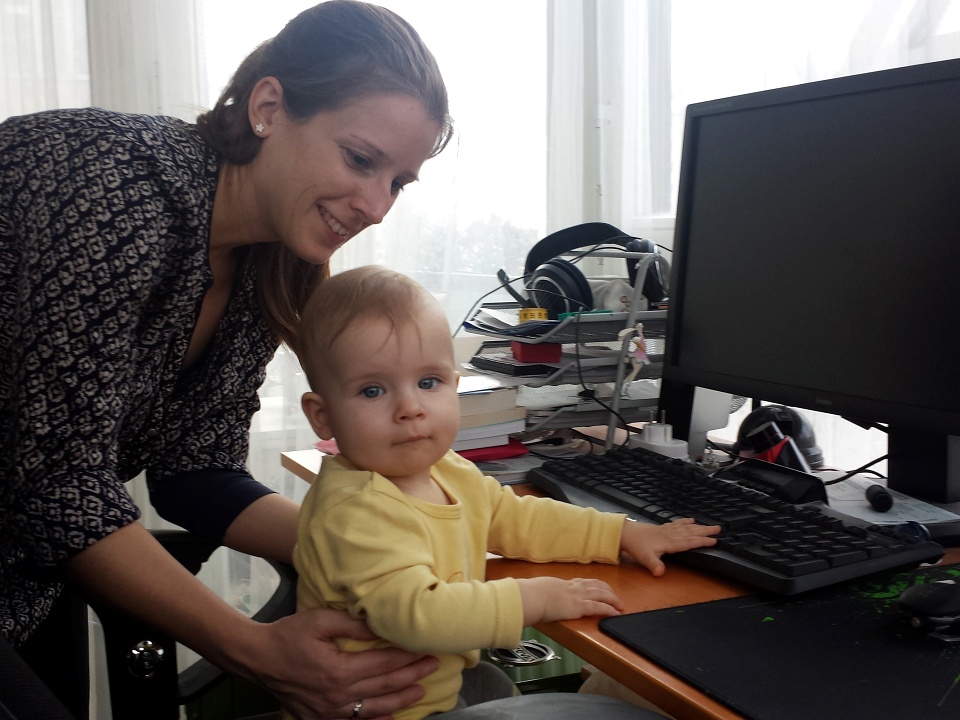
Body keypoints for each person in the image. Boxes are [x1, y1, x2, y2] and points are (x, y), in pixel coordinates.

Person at [1, 2, 455, 718]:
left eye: (398, 182)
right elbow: (58, 487)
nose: (375, 207)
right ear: (268, 108)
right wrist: (256, 649)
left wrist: (392, 548)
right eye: (361, 160)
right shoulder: (119, 184)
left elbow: (196, 473)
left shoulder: (273, 260)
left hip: (26, 569)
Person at [293, 265, 721, 720]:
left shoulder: (447, 470)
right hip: (376, 709)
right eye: (372, 390)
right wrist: (538, 598)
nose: (410, 408)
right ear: (322, 416)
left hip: (431, 687)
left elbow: (521, 520)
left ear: (454, 386)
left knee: (497, 686)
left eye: (428, 382)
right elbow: (419, 614)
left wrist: (621, 534)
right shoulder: (355, 508)